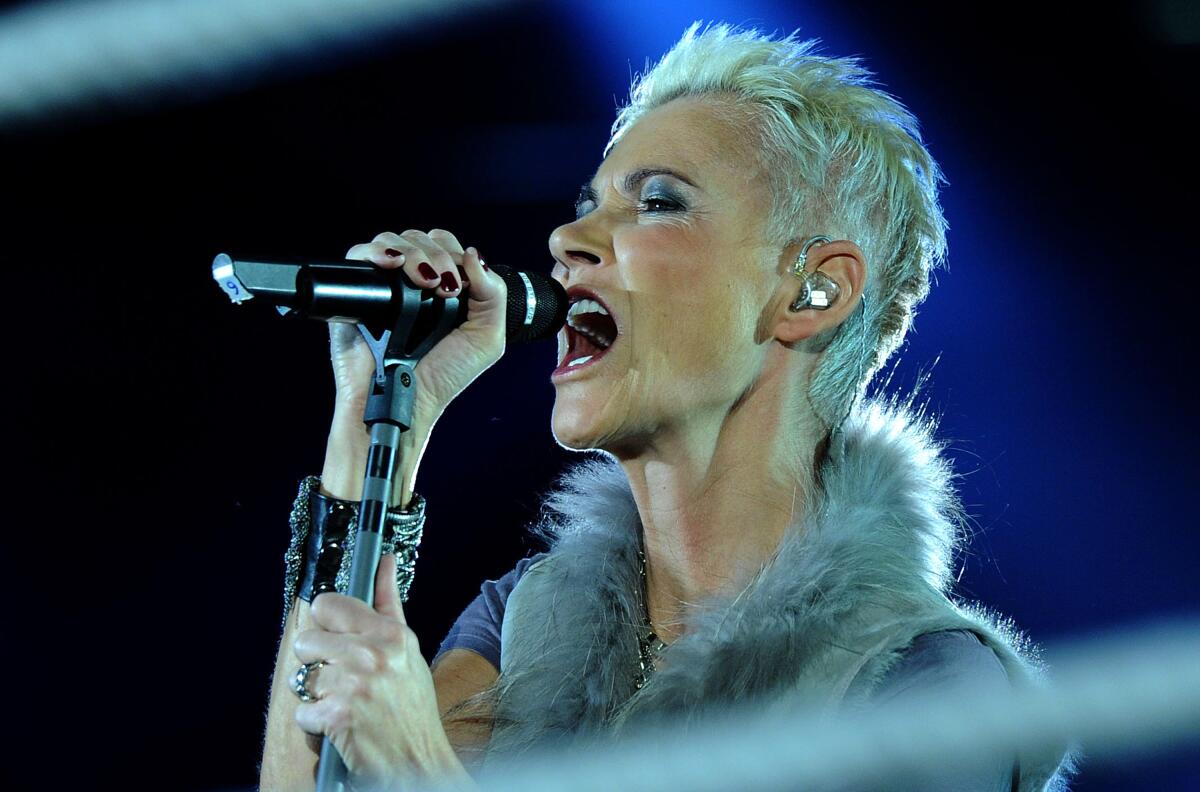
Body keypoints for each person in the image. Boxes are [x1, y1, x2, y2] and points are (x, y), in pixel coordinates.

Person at [259, 22, 1075, 791]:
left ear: (811, 290)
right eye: (592, 200)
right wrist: (374, 421)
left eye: (657, 201)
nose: (566, 237)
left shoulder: (927, 681)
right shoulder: (526, 621)